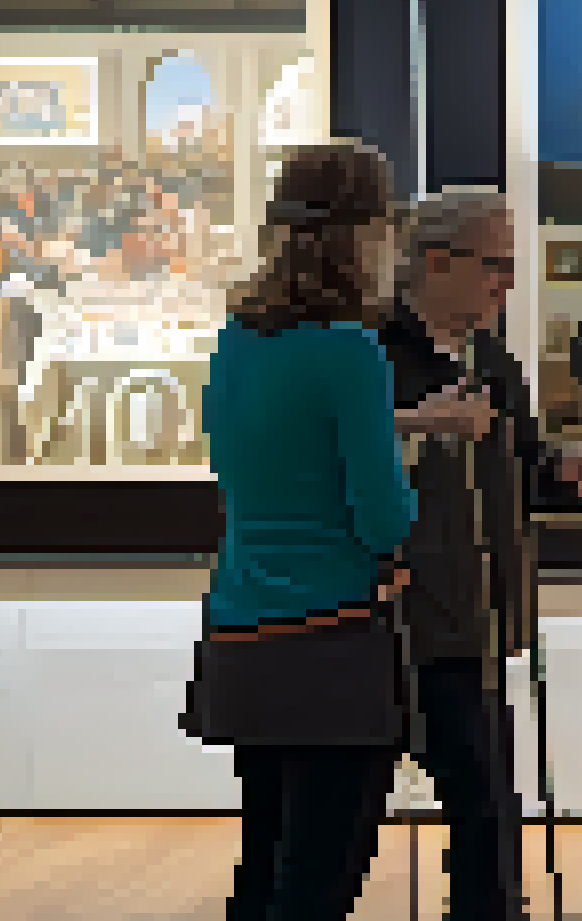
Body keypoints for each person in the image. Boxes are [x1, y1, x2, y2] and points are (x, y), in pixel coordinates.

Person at [184, 144, 415, 921]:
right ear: (365, 232)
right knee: (320, 881)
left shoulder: (238, 337)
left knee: (264, 868)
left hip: (242, 631)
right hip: (331, 642)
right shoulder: (350, 348)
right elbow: (383, 516)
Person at [381, 188, 582, 921]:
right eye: (495, 264)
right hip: (385, 619)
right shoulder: (369, 351)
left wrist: (562, 473)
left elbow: (523, 469)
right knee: (340, 827)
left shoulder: (490, 357)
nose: (507, 283)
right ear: (435, 261)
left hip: (469, 622)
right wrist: (415, 425)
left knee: (487, 806)